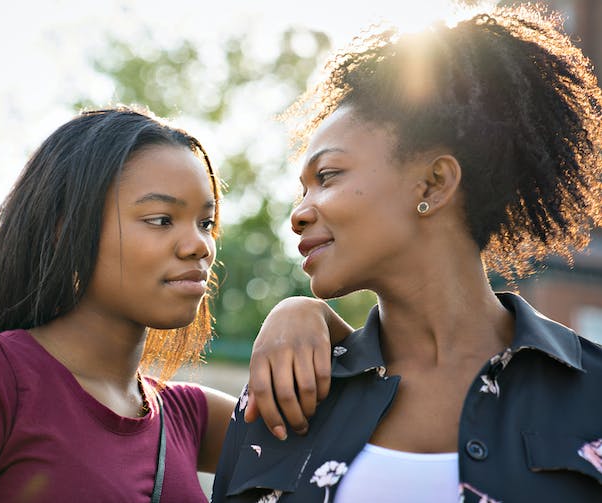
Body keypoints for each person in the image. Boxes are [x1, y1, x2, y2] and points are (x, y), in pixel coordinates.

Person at [212, 5, 602, 502]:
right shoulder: (286, 398)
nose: (299, 213)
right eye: (301, 189)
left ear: (435, 183)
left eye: (327, 177)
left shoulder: (593, 394)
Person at [0, 106, 331, 502]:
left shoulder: (187, 415)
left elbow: (358, 434)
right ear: (67, 231)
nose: (199, 245)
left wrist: (308, 312)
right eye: (161, 220)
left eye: (206, 221)